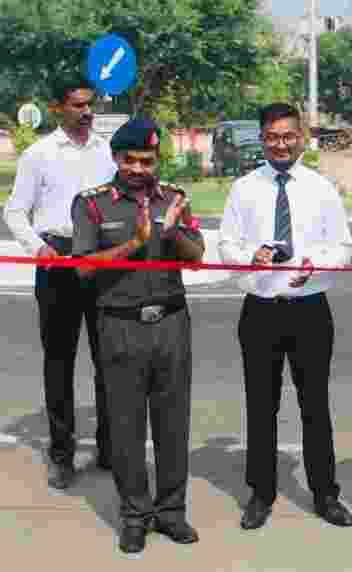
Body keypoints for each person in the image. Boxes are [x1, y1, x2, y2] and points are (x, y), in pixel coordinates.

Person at [218, 103, 352, 532]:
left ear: (301, 137)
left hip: (310, 310)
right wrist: (250, 257)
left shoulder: (321, 188)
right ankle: (261, 492)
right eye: (273, 137)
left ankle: (325, 493)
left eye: (288, 136)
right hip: (261, 310)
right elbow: (226, 245)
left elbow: (344, 246)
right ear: (262, 139)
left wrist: (317, 265)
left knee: (315, 405)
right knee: (261, 405)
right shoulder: (244, 189)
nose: (281, 144)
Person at [70, 118, 205, 554]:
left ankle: (171, 512)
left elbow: (197, 257)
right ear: (115, 159)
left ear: (156, 160)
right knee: (126, 425)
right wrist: (135, 242)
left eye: (147, 161)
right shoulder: (92, 205)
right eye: (129, 160)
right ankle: (134, 515)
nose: (139, 169)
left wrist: (172, 230)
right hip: (119, 323)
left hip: (171, 323)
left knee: (173, 423)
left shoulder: (174, 199)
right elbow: (84, 267)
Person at [5, 74, 115, 488]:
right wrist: (38, 247)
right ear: (58, 108)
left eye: (90, 105)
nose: (87, 112)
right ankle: (62, 454)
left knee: (109, 359)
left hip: (101, 263)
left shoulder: (108, 152)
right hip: (57, 264)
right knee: (59, 362)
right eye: (77, 105)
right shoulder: (39, 154)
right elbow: (15, 212)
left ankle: (109, 448)